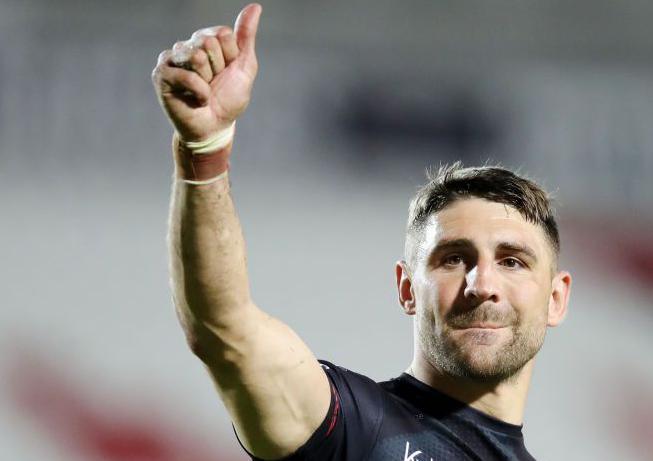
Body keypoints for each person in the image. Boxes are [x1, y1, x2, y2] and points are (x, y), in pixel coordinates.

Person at [151, 4, 572, 460]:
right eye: (453, 258)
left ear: (555, 298)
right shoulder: (355, 429)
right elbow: (224, 328)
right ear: (407, 288)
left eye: (512, 261)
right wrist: (204, 148)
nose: (482, 285)